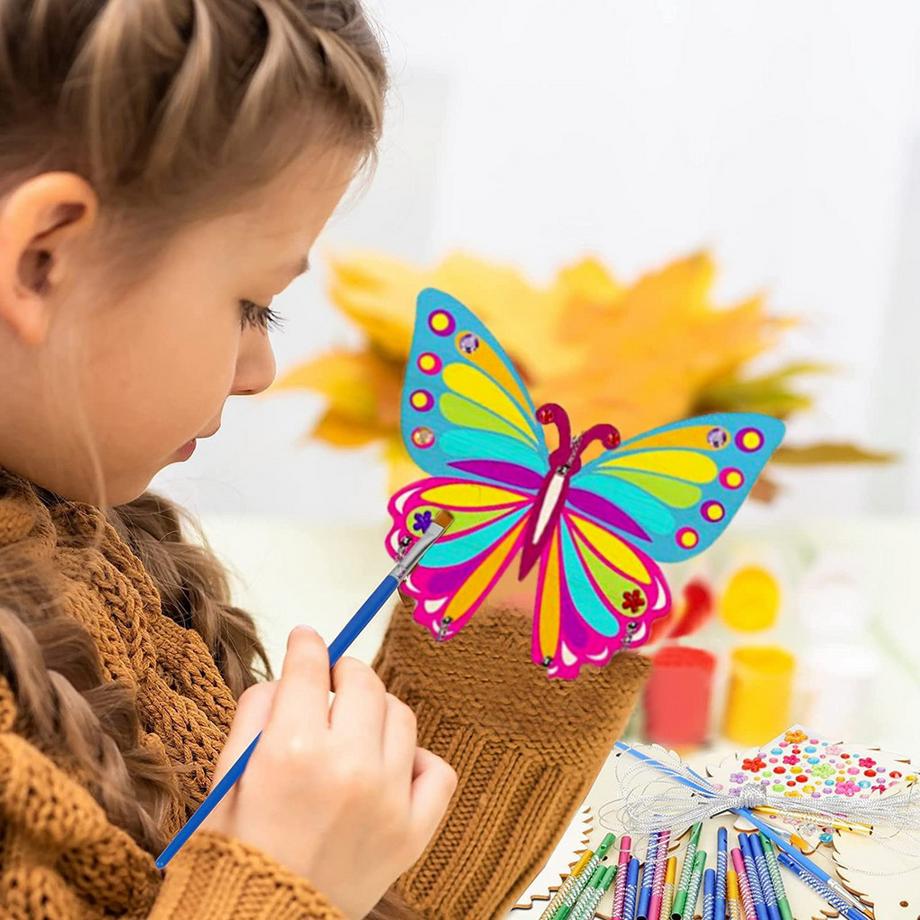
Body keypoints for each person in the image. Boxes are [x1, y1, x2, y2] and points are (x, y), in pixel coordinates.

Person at [0, 2, 649, 917]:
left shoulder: (97, 543)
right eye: (254, 305)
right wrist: (275, 888)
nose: (261, 371)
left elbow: (373, 899)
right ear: (41, 259)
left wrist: (493, 663)